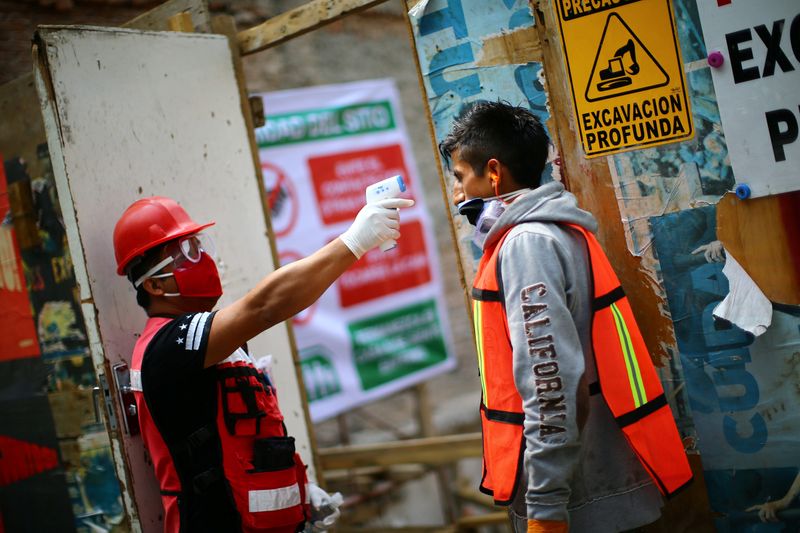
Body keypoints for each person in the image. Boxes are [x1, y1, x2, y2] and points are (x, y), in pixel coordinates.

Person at [438, 101, 692, 533]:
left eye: (461, 178)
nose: (458, 195)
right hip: (600, 489)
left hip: (580, 505)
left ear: (494, 174)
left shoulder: (526, 244)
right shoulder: (555, 230)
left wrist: (545, 507)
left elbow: (548, 382)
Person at [112, 194, 413, 532]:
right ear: (154, 284)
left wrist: (299, 491)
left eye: (198, 245)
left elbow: (256, 433)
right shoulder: (165, 346)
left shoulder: (220, 344)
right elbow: (265, 307)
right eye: (187, 254)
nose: (203, 259)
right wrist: (354, 242)